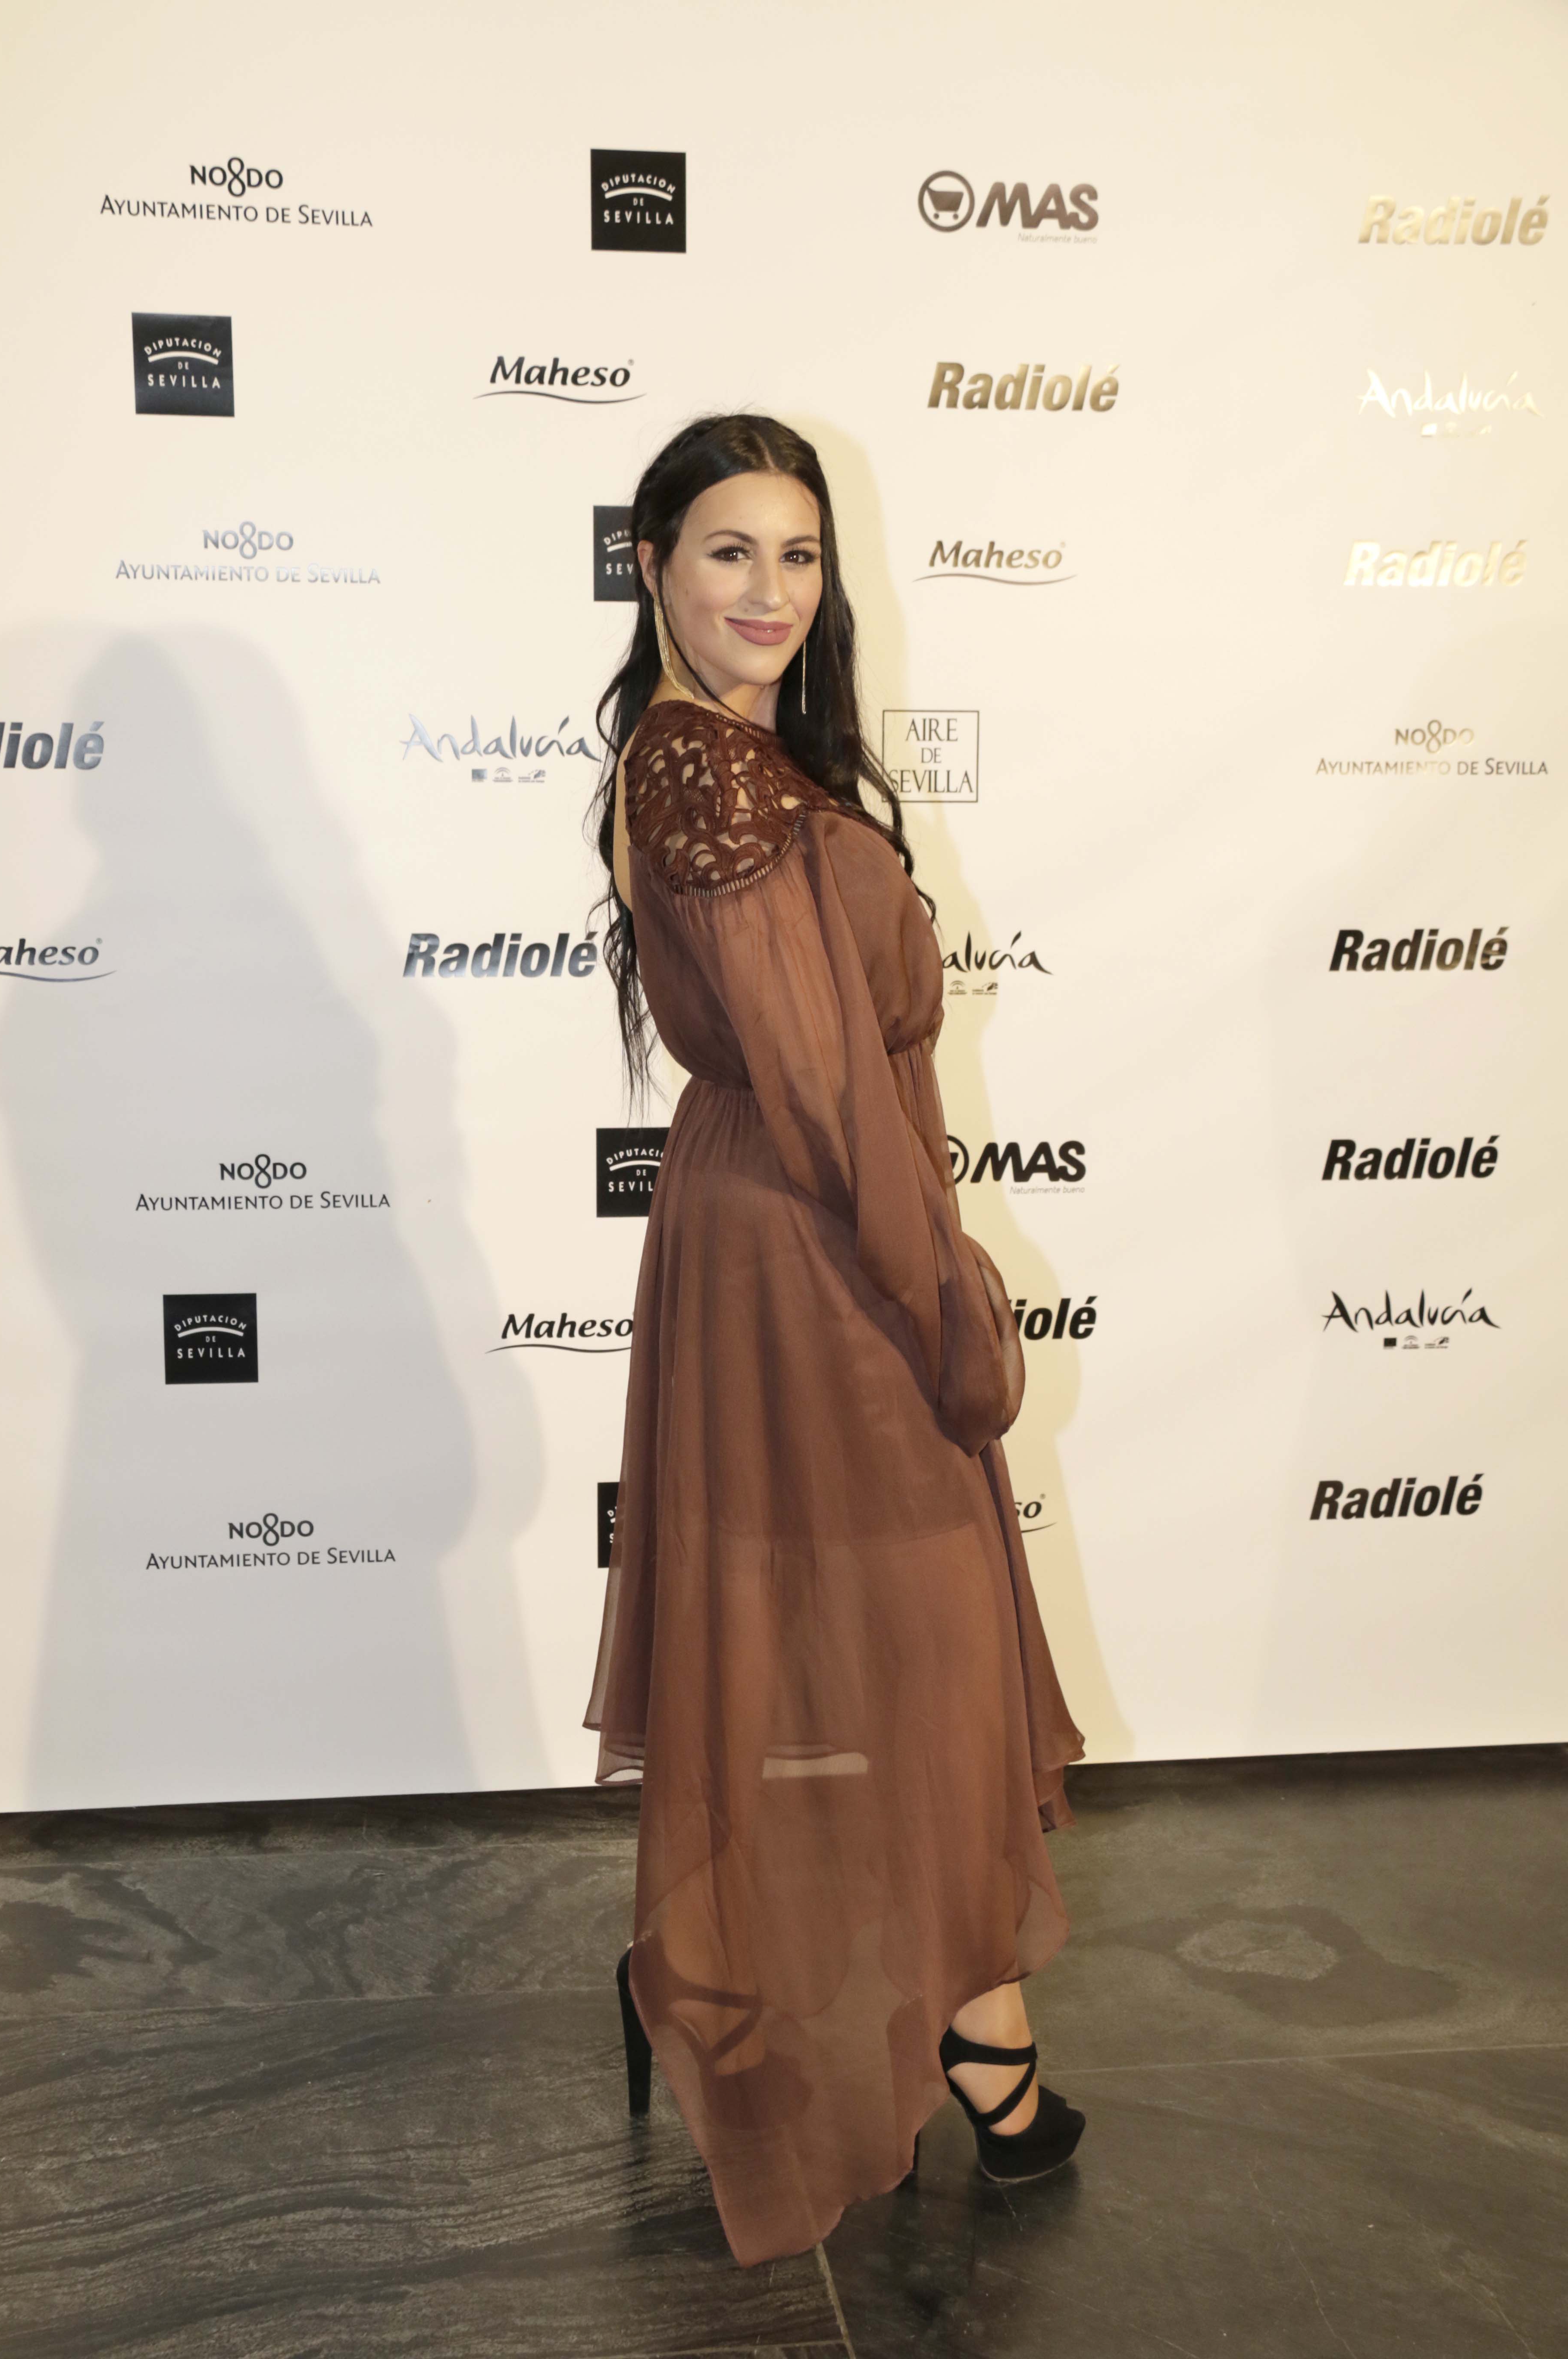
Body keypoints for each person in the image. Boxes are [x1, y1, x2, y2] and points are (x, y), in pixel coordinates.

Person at [584, 413, 1086, 2266]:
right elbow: (821, 1084)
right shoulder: (703, 767)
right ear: (654, 564)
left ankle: (876, 2005)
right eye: (731, 551)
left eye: (799, 554)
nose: (772, 589)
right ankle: (949, 2035)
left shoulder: (740, 756)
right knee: (919, 1639)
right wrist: (947, 1306)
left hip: (788, 1224)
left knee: (874, 1647)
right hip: (815, 1240)